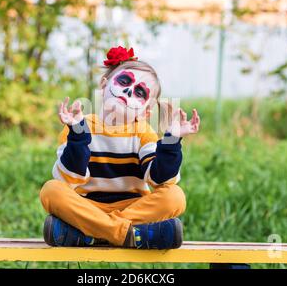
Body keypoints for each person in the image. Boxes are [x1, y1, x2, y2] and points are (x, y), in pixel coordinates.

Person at [39, 46, 200, 249]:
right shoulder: (79, 124)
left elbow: (159, 181)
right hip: (88, 205)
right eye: (124, 81)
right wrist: (78, 135)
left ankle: (93, 233)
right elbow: (69, 177)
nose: (128, 91)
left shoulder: (143, 133)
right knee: (51, 190)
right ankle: (129, 234)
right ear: (104, 85)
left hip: (132, 207)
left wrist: (171, 140)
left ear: (146, 111)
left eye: (140, 92)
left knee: (175, 196)